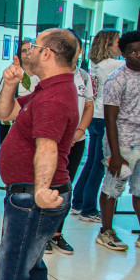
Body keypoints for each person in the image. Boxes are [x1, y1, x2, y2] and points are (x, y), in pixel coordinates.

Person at [0, 28, 79, 280]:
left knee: (13, 264)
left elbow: (47, 148)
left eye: (34, 47)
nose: (29, 52)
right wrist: (9, 84)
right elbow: (4, 113)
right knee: (31, 262)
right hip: (32, 193)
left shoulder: (53, 97)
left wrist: (40, 191)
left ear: (47, 53)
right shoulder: (48, 88)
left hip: (32, 197)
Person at [45, 30, 93, 255]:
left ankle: (57, 233)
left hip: (77, 139)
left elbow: (89, 106)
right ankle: (43, 233)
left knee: (65, 187)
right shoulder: (51, 73)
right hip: (54, 140)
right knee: (46, 184)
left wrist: (79, 131)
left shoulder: (84, 76)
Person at [95, 30, 140, 251]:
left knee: (139, 189)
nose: (138, 55)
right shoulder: (117, 79)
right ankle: (106, 231)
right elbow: (110, 119)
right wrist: (115, 153)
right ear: (123, 53)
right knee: (113, 187)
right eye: (132, 51)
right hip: (122, 143)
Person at [72, 29, 123, 222]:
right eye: (118, 42)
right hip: (104, 119)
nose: (122, 46)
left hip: (95, 116)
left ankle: (78, 202)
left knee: (92, 162)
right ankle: (89, 209)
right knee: (99, 165)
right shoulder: (114, 64)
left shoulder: (97, 64)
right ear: (108, 44)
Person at [0, 39, 39, 143]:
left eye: (30, 49)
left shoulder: (41, 75)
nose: (27, 53)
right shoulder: (11, 73)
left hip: (34, 124)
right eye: (23, 51)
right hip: (10, 122)